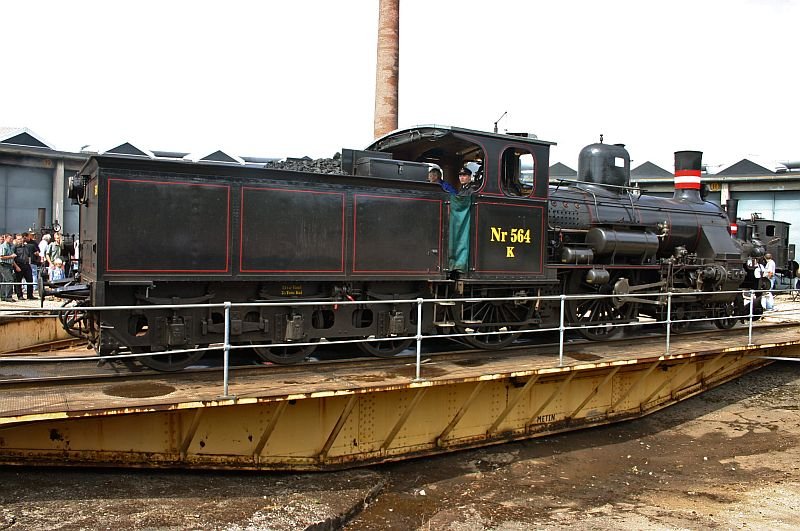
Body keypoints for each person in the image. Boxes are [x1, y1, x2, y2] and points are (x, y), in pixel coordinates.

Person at [13, 233, 33, 300]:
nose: (20, 240)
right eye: (18, 239)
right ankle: (20, 296)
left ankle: (30, 295)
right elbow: (13, 258)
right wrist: (16, 266)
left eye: (21, 239)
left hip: (26, 265)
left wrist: (29, 263)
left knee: (30, 280)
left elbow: (29, 256)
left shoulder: (26, 247)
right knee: (18, 281)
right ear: (16, 240)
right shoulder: (14, 247)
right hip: (19, 265)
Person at [0, 233, 17, 302]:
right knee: (10, 280)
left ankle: (3, 296)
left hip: (9, 265)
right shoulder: (3, 246)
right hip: (4, 265)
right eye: (10, 238)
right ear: (6, 238)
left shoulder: (10, 246)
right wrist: (11, 256)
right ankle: (8, 296)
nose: (11, 240)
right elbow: (1, 256)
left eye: (12, 238)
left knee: (5, 280)